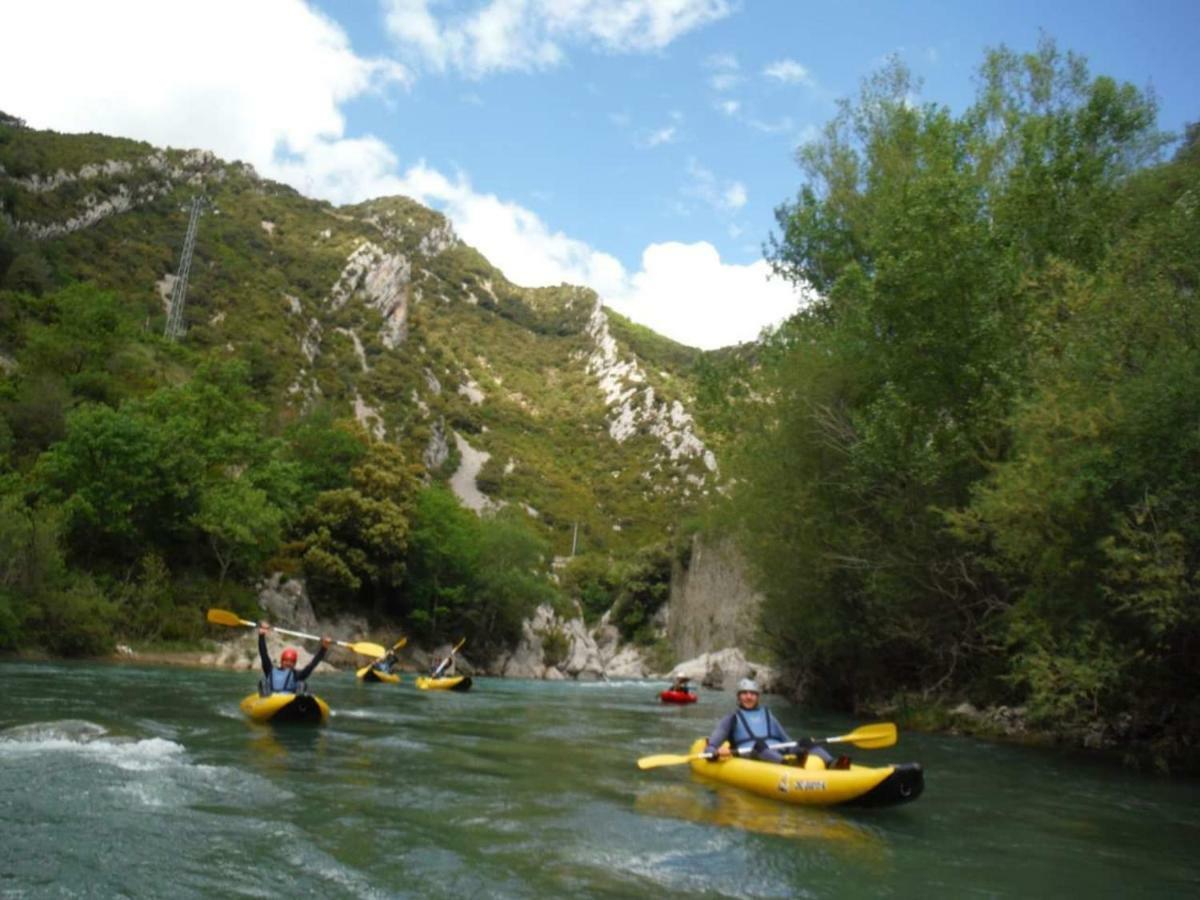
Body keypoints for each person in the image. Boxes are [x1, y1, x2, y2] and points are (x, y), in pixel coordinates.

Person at [703, 678, 839, 767]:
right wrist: (714, 752)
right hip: (752, 752)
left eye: (752, 693)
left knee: (805, 741)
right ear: (739, 697)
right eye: (744, 693)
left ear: (757, 697)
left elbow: (787, 740)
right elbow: (712, 744)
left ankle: (831, 763)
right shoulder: (732, 717)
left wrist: (803, 745)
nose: (748, 697)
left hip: (777, 751)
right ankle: (787, 764)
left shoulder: (768, 715)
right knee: (760, 745)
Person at [258, 622, 331, 695]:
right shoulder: (270, 670)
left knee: (302, 684)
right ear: (282, 661)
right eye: (286, 661)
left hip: (290, 700)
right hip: (270, 699)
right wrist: (261, 635)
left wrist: (324, 648)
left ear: (294, 664)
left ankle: (301, 700)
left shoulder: (297, 675)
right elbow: (263, 654)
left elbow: (312, 665)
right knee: (263, 682)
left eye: (291, 662)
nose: (288, 663)